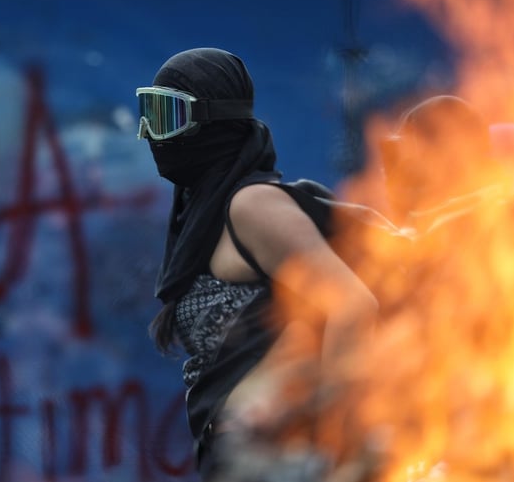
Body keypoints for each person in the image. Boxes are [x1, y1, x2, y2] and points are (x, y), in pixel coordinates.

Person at [136, 47, 379, 481]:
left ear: (212, 120)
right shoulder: (202, 210)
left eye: (168, 115)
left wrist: (333, 435)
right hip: (239, 457)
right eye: (149, 112)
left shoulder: (251, 205)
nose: (153, 133)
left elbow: (353, 308)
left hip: (282, 460)